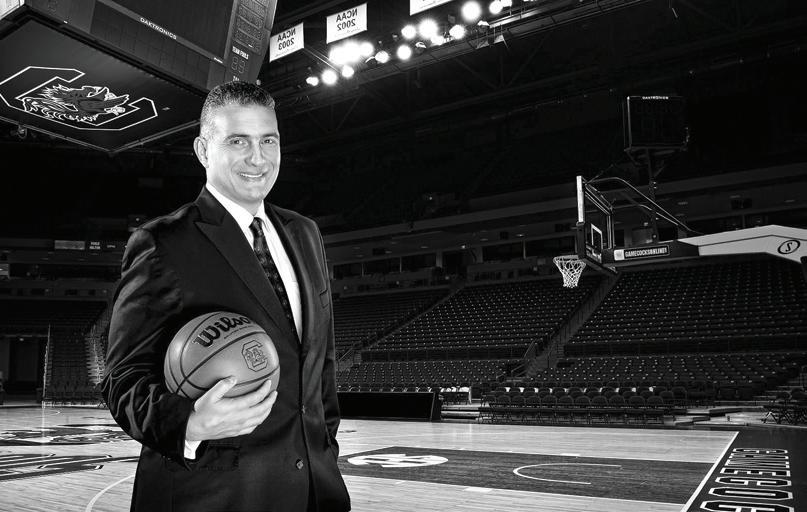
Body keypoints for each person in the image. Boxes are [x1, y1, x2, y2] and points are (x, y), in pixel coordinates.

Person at [103, 81, 350, 512]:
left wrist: (325, 448)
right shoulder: (163, 243)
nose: (258, 158)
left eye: (268, 140)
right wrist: (190, 424)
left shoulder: (305, 233)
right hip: (215, 495)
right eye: (238, 141)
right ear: (203, 150)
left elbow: (319, 364)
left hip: (315, 491)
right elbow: (122, 381)